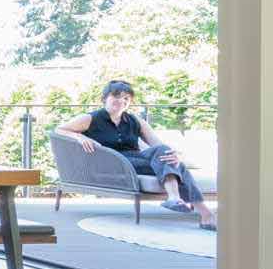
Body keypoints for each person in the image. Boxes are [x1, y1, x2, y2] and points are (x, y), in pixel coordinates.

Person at [59, 79, 214, 228]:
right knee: (176, 165)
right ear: (104, 98)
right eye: (116, 96)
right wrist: (80, 137)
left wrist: (174, 155)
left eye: (126, 98)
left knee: (170, 158)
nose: (121, 101)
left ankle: (177, 199)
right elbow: (59, 130)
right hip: (111, 161)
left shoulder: (135, 120)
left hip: (135, 159)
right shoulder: (91, 118)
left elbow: (158, 145)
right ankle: (203, 213)